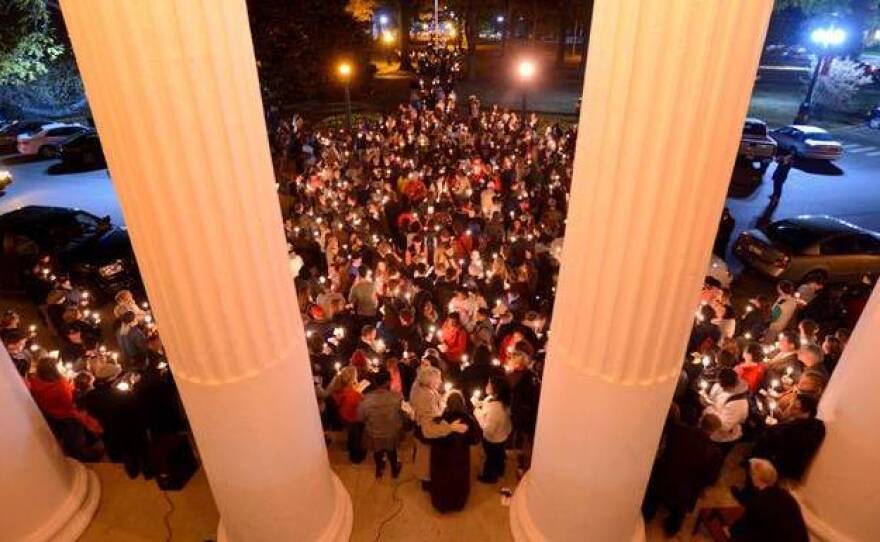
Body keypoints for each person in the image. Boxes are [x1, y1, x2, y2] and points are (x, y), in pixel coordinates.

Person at [643, 408, 723, 535]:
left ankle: (646, 516)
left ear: (700, 421)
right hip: (684, 491)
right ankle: (671, 529)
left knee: (653, 499)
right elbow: (710, 479)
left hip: (664, 477)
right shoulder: (715, 453)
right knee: (678, 512)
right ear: (714, 431)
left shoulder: (679, 431)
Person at [410, 365, 467, 491]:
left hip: (426, 431)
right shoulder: (425, 397)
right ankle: (427, 484)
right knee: (426, 464)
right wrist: (451, 428)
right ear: (430, 381)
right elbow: (428, 430)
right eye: (439, 378)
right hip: (425, 437)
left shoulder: (427, 390)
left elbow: (436, 409)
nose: (441, 381)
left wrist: (443, 399)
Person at [730, 459, 809, 542]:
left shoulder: (759, 501)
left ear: (755, 478)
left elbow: (742, 528)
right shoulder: (787, 496)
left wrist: (731, 530)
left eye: (752, 474)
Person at [750, 394, 825, 481]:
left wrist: (769, 427)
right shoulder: (816, 423)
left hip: (780, 463)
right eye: (792, 403)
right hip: (782, 455)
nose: (790, 407)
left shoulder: (794, 431)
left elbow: (774, 442)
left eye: (794, 407)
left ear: (806, 412)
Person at [429, 390, 481, 512]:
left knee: (442, 480)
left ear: (447, 403)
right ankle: (458, 504)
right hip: (459, 458)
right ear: (462, 403)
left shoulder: (439, 419)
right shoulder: (468, 419)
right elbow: (476, 439)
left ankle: (442, 505)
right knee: (458, 479)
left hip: (441, 459)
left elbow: (431, 437)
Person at [356, 369, 403, 479]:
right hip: (391, 432)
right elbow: (403, 415)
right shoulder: (397, 397)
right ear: (387, 382)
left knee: (377, 451)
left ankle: (379, 469)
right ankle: (394, 470)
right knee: (392, 450)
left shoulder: (365, 399)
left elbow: (360, 418)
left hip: (374, 432)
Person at [474, 374, 512, 483]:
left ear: (496, 389)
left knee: (491, 458)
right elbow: (486, 404)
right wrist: (478, 403)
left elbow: (488, 429)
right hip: (502, 435)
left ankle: (490, 477)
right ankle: (500, 470)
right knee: (499, 455)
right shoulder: (498, 400)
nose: (486, 385)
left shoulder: (496, 408)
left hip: (493, 439)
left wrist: (477, 412)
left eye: (489, 384)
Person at [701, 368, 749, 452]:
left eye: (722, 385)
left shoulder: (739, 403)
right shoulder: (718, 386)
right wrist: (705, 399)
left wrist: (710, 408)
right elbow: (712, 400)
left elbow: (724, 426)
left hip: (723, 439)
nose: (719, 386)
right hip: (709, 432)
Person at [327, 366, 366, 463]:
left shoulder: (339, 389)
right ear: (352, 378)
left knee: (351, 434)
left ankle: (351, 447)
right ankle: (355, 457)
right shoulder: (353, 393)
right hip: (353, 417)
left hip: (343, 415)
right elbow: (359, 404)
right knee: (355, 436)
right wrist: (360, 395)